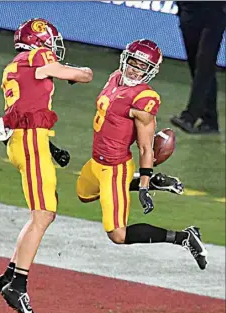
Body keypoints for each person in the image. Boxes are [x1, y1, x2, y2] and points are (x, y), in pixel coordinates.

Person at [0, 18, 93, 313]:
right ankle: (18, 284)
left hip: (26, 142)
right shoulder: (37, 57)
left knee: (42, 213)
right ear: (40, 42)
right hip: (31, 144)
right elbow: (78, 75)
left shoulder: (13, 67)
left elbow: (26, 113)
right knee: (43, 214)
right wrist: (83, 73)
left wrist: (51, 148)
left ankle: (10, 274)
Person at [76, 39, 208, 273]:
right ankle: (151, 182)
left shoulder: (144, 99)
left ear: (151, 71)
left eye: (142, 66)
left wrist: (144, 185)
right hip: (96, 160)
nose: (134, 69)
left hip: (115, 167)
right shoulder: (115, 77)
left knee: (118, 234)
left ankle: (184, 237)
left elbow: (146, 148)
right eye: (133, 62)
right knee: (84, 195)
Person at [170, 1, 226, 134]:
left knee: (204, 63)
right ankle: (210, 121)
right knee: (197, 65)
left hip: (215, 13)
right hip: (189, 11)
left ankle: (189, 116)